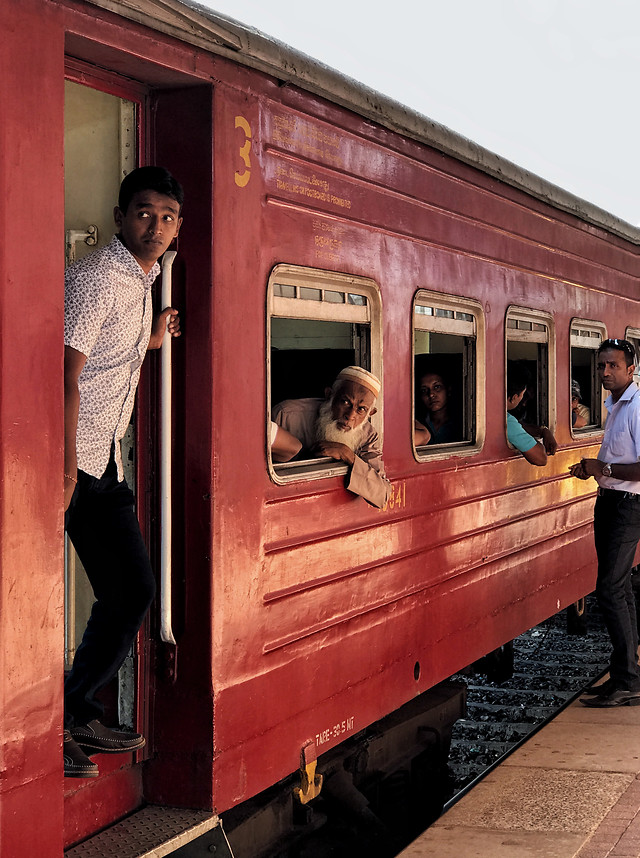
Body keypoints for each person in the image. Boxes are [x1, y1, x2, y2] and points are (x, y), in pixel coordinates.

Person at [63, 166, 184, 777]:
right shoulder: (96, 279)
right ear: (119, 217)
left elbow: (116, 353)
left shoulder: (144, 281)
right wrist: (62, 467)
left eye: (166, 217)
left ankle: (75, 711)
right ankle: (65, 716)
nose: (154, 226)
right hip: (75, 461)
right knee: (119, 589)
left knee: (127, 590)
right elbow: (65, 373)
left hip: (102, 456)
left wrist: (154, 336)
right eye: (143, 213)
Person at [569, 338, 640, 707]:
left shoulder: (637, 407)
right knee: (620, 587)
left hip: (629, 505)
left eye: (613, 365)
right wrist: (593, 470)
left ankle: (628, 679)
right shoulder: (615, 404)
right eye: (601, 366)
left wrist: (605, 468)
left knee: (610, 588)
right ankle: (626, 674)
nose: (605, 373)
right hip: (612, 499)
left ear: (631, 369)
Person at [271, 366, 390, 509]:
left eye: (361, 409)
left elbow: (382, 495)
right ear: (329, 395)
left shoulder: (368, 435)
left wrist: (347, 455)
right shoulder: (286, 414)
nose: (350, 416)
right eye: (345, 402)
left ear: (371, 413)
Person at [506, 361, 557, 465]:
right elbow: (541, 458)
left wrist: (543, 431)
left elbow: (520, 426)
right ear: (514, 398)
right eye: (522, 394)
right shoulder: (506, 421)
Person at [414, 369, 459, 446]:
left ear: (448, 390)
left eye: (437, 387)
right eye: (424, 390)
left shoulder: (461, 424)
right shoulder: (417, 423)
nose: (431, 394)